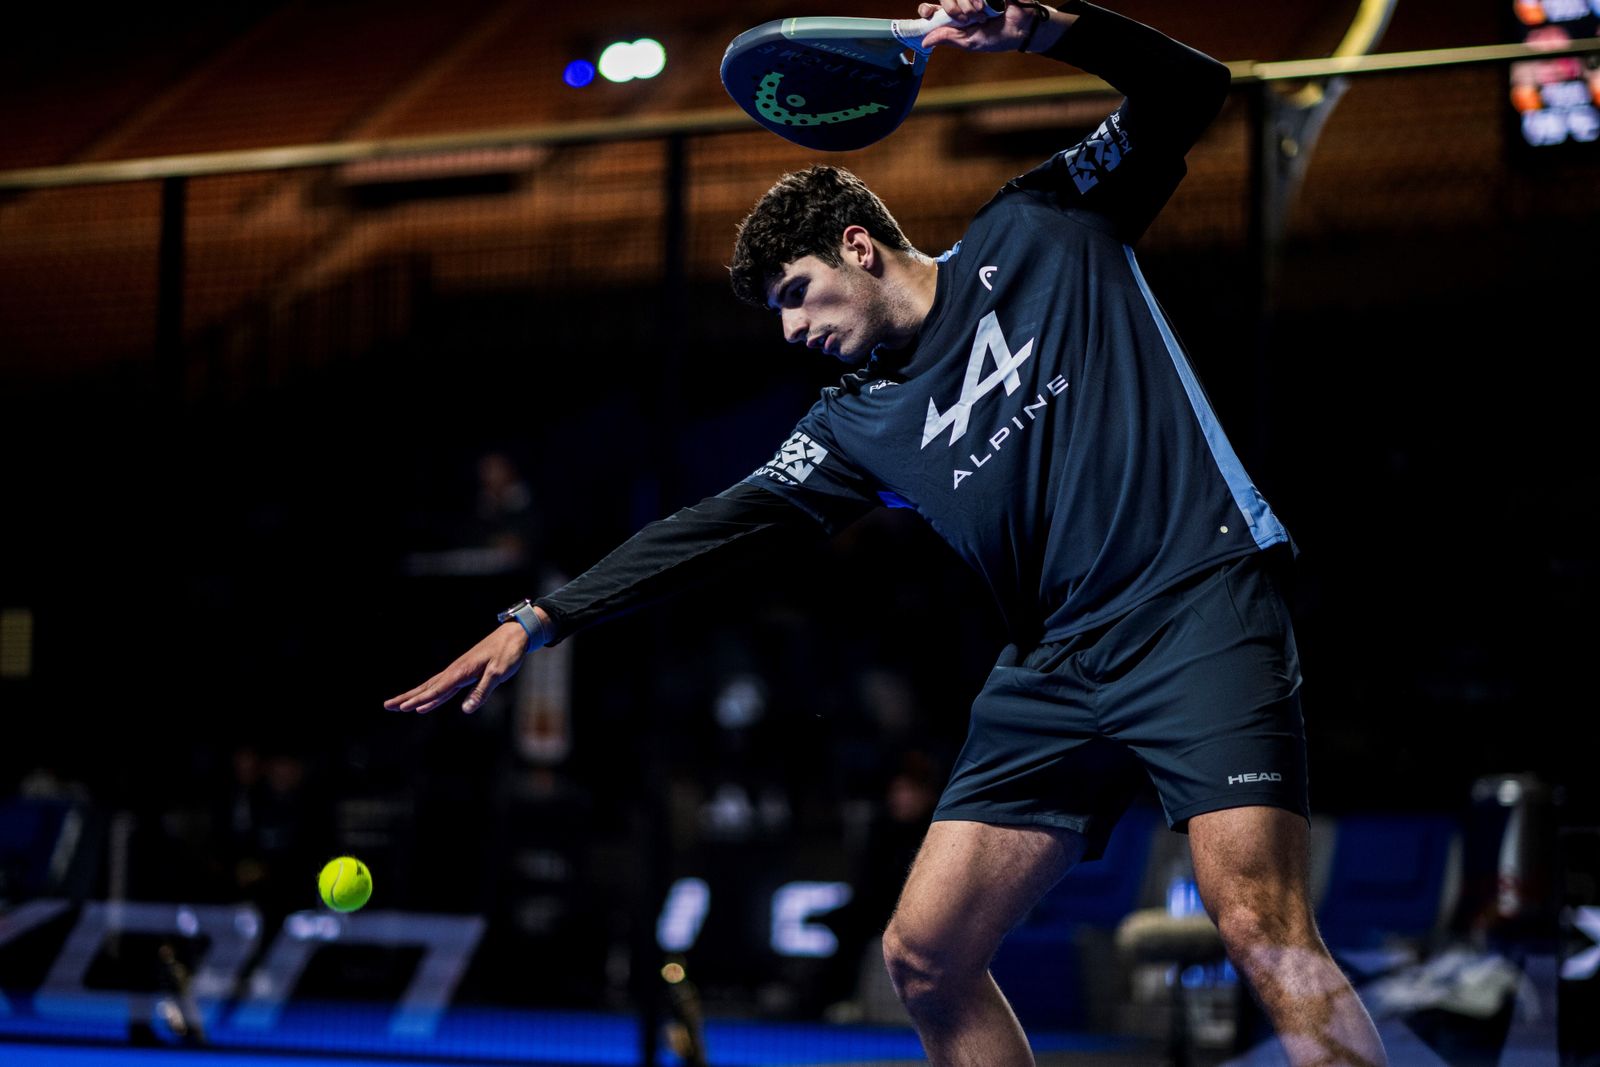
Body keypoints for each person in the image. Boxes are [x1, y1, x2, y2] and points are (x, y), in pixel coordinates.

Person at [387, 2, 1386, 1063]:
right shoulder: (853, 423)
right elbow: (715, 524)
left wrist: (1050, 30)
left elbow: (1193, 90)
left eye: (796, 291)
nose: (791, 328)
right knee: (923, 954)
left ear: (858, 244)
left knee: (1260, 926)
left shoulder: (1043, 225)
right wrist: (542, 613)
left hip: (1196, 604)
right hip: (1053, 666)